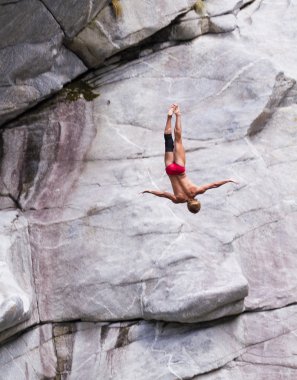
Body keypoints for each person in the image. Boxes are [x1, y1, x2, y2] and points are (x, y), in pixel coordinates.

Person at [142, 104, 237, 213]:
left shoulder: (197, 191)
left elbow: (214, 185)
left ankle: (177, 115)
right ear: (188, 206)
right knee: (168, 141)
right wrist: (148, 191)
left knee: (178, 139)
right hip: (170, 170)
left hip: (180, 168)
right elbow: (163, 194)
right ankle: (169, 117)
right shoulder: (178, 200)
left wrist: (228, 180)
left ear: (197, 202)